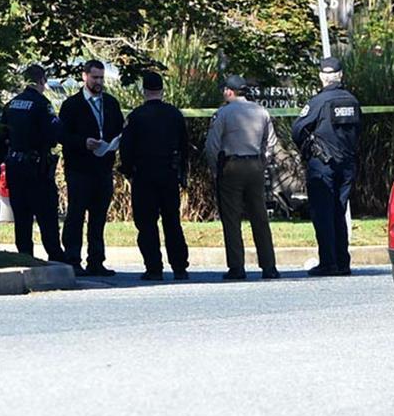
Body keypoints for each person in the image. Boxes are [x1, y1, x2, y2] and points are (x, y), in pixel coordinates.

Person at [292, 57, 362, 277]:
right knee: (338, 212)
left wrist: (307, 148)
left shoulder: (318, 102)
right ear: (341, 76)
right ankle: (343, 262)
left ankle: (328, 263)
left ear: (322, 77)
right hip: (347, 164)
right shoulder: (352, 101)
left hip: (322, 165)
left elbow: (297, 129)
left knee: (323, 213)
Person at [205, 75, 279, 280]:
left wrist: (215, 169)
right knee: (260, 217)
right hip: (254, 165)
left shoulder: (223, 113)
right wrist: (261, 162)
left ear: (229, 91)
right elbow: (270, 143)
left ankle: (237, 267)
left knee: (231, 218)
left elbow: (212, 145)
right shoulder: (261, 112)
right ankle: (269, 266)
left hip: (232, 166)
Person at [119, 72, 190, 281]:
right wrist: (182, 173)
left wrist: (129, 171)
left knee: (146, 223)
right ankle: (179, 267)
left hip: (144, 175)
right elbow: (184, 146)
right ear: (162, 90)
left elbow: (126, 148)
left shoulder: (136, 116)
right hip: (168, 173)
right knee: (172, 221)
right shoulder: (174, 114)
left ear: (144, 91)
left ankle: (153, 268)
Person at [59, 59, 124, 277]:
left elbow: (118, 128)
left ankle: (96, 260)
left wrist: (114, 143)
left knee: (98, 217)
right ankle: (72, 259)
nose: (98, 82)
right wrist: (83, 142)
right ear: (85, 76)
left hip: (103, 167)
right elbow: (63, 136)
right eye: (95, 77)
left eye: (101, 78)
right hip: (79, 168)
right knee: (76, 214)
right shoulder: (72, 105)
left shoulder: (111, 103)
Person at [1, 65, 66, 262]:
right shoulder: (42, 104)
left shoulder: (11, 104)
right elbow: (55, 133)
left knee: (21, 215)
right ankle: (54, 254)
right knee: (46, 213)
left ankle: (24, 255)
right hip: (36, 167)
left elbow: (3, 134)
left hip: (14, 164)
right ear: (41, 81)